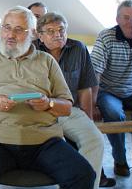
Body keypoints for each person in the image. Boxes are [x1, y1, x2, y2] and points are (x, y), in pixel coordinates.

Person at [0, 6, 95, 189]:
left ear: (32, 33)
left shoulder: (46, 61)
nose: (10, 35)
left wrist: (49, 103)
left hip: (43, 141)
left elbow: (67, 106)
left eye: (18, 29)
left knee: (83, 174)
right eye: (7, 27)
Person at [36, 12, 109, 188]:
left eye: (61, 29)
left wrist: (88, 118)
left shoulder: (78, 48)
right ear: (40, 36)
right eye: (51, 31)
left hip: (69, 110)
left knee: (95, 140)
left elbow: (85, 87)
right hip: (38, 112)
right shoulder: (32, 52)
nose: (57, 34)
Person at [92, 0, 132, 177]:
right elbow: (94, 73)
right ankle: (120, 160)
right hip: (108, 91)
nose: (131, 22)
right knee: (113, 113)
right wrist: (93, 104)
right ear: (117, 19)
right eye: (126, 17)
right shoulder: (106, 37)